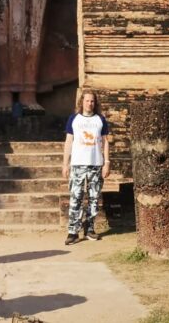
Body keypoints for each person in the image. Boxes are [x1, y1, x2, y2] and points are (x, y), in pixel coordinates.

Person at [61, 91, 110, 244]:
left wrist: (106, 162)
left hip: (96, 164)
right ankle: (73, 232)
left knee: (94, 198)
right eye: (87, 101)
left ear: (95, 103)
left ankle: (89, 229)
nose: (90, 104)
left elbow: (105, 141)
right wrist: (65, 164)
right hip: (77, 164)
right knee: (76, 197)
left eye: (92, 101)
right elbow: (68, 142)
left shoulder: (100, 120)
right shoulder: (74, 119)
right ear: (82, 102)